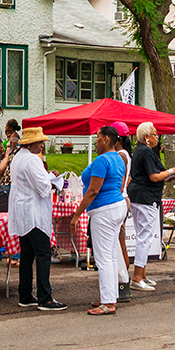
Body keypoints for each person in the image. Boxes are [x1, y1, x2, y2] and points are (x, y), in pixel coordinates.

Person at [8, 126, 66, 311]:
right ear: (32, 143)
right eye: (40, 142)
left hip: (23, 211)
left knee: (27, 255)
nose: (42, 145)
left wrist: (48, 177)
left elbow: (34, 180)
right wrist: (54, 181)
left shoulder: (18, 157)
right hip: (33, 213)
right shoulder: (32, 160)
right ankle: (45, 298)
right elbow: (42, 187)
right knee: (43, 255)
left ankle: (25, 294)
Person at [70, 126, 126, 316]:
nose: (96, 141)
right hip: (117, 206)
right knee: (109, 255)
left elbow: (93, 190)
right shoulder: (118, 157)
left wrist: (77, 215)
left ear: (106, 139)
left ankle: (108, 302)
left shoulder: (102, 160)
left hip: (104, 210)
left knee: (103, 258)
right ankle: (109, 297)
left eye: (98, 138)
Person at [128, 122, 175, 291]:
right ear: (146, 138)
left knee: (144, 234)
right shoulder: (145, 152)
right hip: (146, 198)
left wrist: (167, 176)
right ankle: (136, 276)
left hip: (139, 196)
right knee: (145, 236)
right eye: (154, 134)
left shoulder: (141, 152)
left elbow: (156, 175)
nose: (157, 137)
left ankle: (142, 274)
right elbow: (154, 177)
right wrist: (171, 171)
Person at [112, 121, 133, 302]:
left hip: (119, 198)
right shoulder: (126, 154)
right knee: (120, 243)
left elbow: (120, 182)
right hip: (124, 198)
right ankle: (122, 280)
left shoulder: (120, 155)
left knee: (120, 245)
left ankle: (123, 281)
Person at [0, 119, 22, 186]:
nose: (5, 127)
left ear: (11, 127)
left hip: (9, 161)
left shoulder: (14, 138)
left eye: (7, 125)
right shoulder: (12, 136)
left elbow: (12, 152)